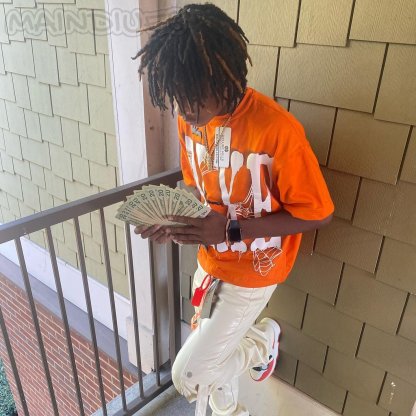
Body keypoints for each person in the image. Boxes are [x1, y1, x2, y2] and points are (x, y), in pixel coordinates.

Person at [131, 3, 334, 415]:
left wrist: (231, 229)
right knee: (211, 363)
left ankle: (259, 343)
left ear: (223, 78)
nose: (185, 113)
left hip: (253, 271)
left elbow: (318, 213)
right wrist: (178, 218)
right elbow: (200, 187)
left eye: (192, 99)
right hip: (210, 261)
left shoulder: (278, 131)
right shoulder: (190, 119)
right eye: (177, 101)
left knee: (190, 374)